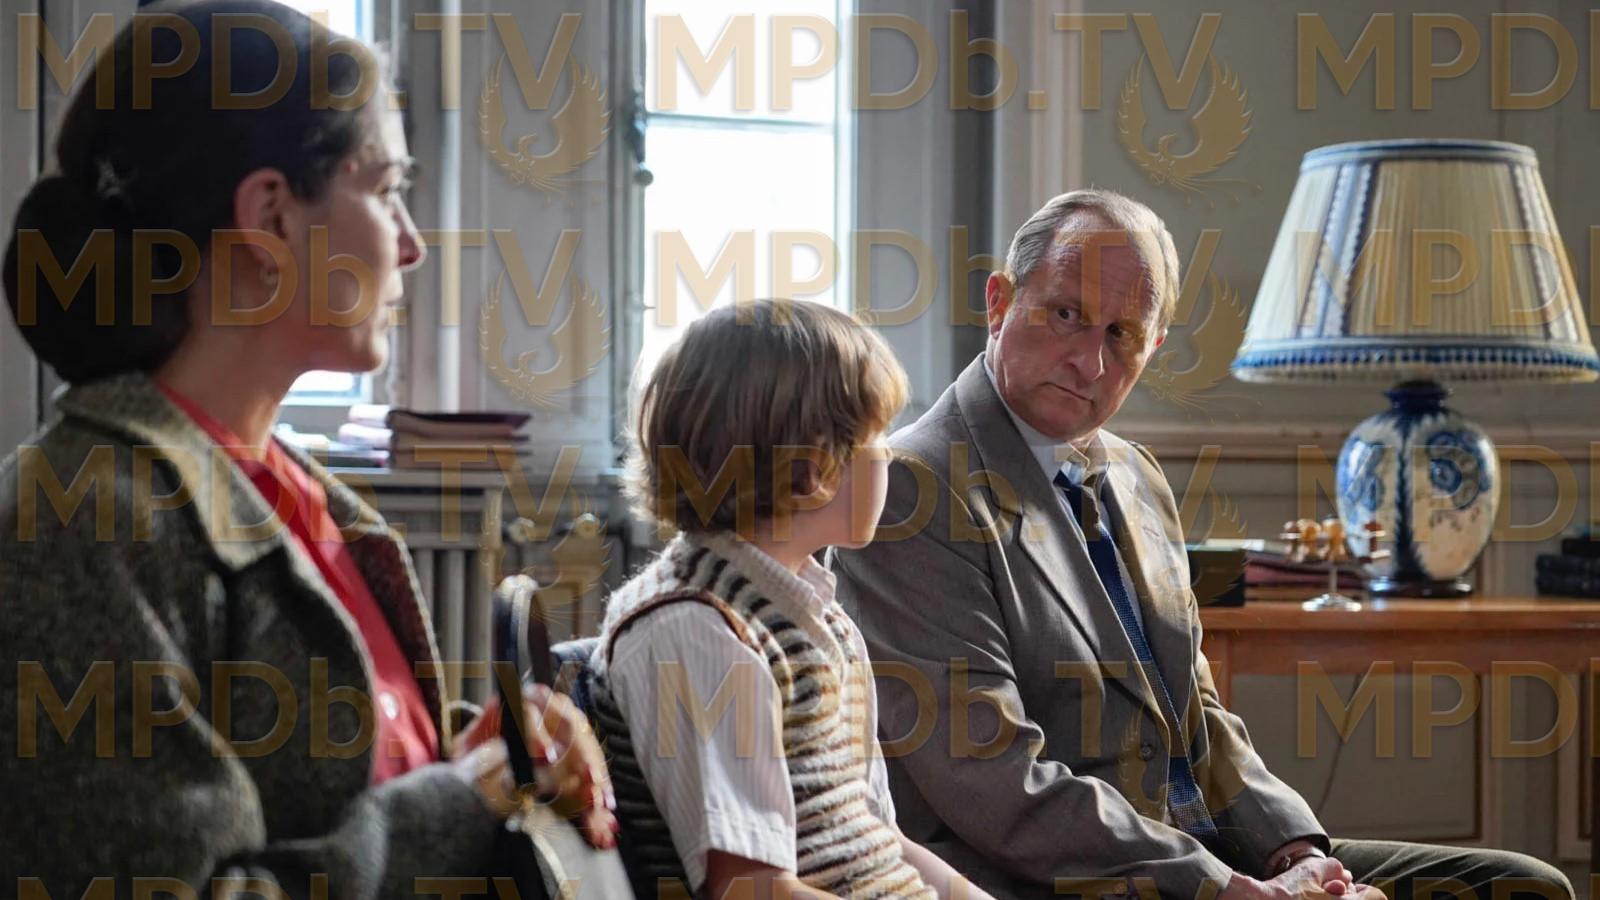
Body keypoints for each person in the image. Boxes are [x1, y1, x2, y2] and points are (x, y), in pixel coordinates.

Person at [0, 2, 615, 896]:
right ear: (272, 218)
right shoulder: (81, 526)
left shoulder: (306, 497)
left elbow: (322, 797)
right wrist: (459, 804)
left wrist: (478, 750)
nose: (412, 246)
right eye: (387, 189)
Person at [829, 189, 1575, 900]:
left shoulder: (1135, 475)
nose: (1090, 362)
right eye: (1066, 314)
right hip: (1067, 878)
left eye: (1121, 334)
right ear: (999, 303)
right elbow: (998, 783)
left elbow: (1200, 715)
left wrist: (1300, 858)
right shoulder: (910, 489)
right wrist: (1226, 888)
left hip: (1220, 856)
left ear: (1152, 346)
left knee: (1523, 886)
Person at [591, 300, 997, 900]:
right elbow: (749, 888)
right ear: (812, 468)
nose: (890, 453)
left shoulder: (820, 617)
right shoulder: (696, 629)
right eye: (876, 436)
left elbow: (878, 836)